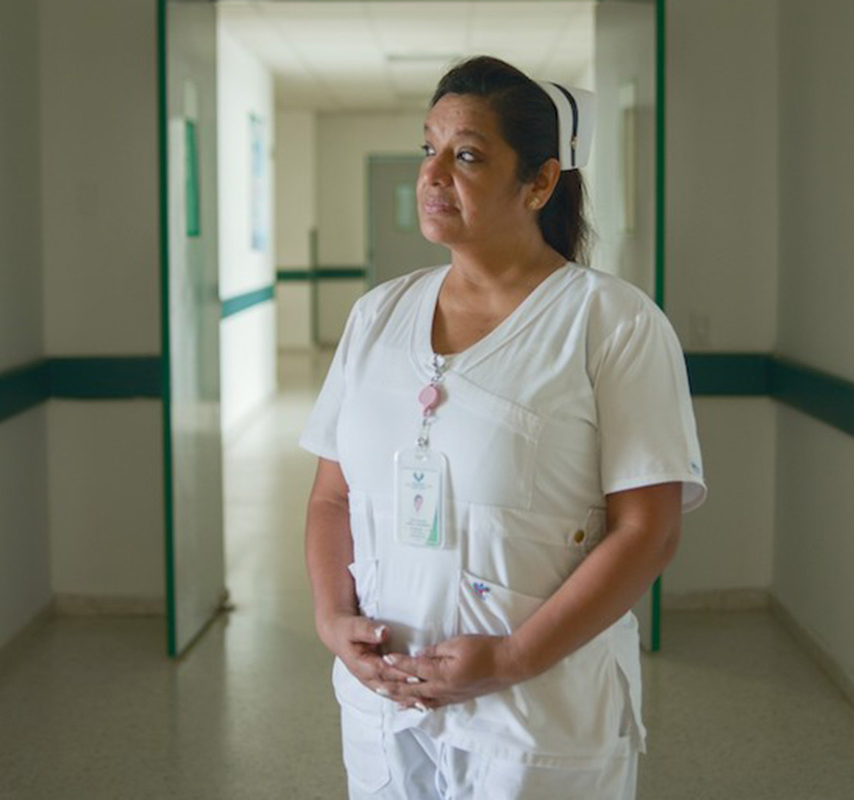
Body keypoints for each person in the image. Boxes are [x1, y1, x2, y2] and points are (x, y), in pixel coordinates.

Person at [301, 55, 706, 800]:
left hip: (533, 716)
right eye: (429, 149)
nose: (432, 175)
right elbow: (331, 497)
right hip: (386, 703)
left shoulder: (610, 323)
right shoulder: (377, 317)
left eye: (468, 156)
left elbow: (649, 530)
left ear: (541, 182)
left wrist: (514, 657)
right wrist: (332, 620)